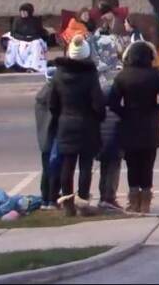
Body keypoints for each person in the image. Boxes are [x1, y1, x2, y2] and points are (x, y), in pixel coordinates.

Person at [110, 41, 159, 214]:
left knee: (132, 164)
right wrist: (156, 111)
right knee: (147, 163)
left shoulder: (122, 76)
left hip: (129, 123)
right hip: (150, 124)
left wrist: (124, 113)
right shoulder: (156, 75)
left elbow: (112, 102)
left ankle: (133, 199)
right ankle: (146, 200)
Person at [49, 36, 107, 217]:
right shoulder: (90, 75)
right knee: (85, 165)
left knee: (67, 164)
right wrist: (99, 116)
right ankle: (82, 202)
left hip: (66, 123)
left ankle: (68, 204)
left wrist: (60, 117)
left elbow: (53, 103)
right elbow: (98, 102)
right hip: (87, 124)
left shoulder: (58, 74)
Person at [97, 85, 124, 211]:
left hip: (101, 147)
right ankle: (109, 198)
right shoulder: (118, 112)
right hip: (114, 146)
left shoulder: (98, 113)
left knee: (103, 172)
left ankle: (103, 197)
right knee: (113, 172)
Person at [34, 78, 59, 209]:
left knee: (46, 169)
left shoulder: (40, 98)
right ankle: (52, 199)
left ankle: (45, 198)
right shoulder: (52, 95)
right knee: (55, 169)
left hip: (44, 140)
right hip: (53, 138)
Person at [4, 3, 50, 73]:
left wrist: (32, 37)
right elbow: (13, 33)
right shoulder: (17, 20)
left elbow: (40, 32)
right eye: (21, 11)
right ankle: (18, 66)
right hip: (20, 39)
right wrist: (23, 38)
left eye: (25, 11)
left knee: (37, 44)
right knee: (15, 45)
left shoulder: (35, 20)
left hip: (33, 39)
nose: (22, 13)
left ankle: (34, 66)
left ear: (29, 12)